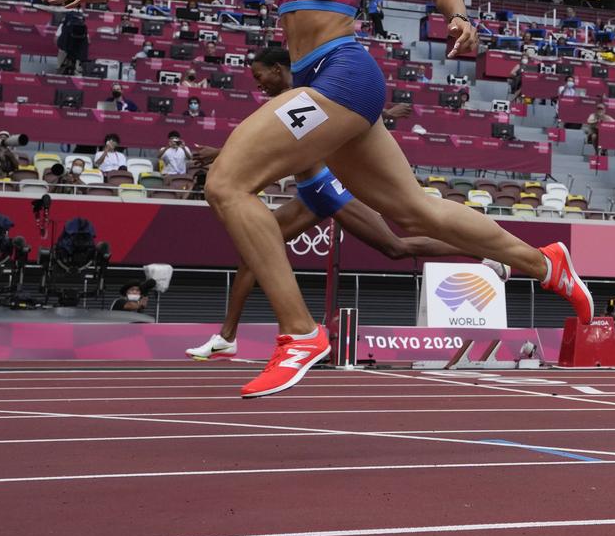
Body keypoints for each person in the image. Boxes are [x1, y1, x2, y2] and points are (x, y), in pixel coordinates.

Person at [44, 0, 592, 399]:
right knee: (413, 214)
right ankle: (545, 263)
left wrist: (458, 17)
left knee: (228, 182)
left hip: (344, 73)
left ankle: (300, 333)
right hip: (316, 78)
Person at [186, 47, 511, 361]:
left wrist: (219, 155)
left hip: (330, 188)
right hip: (309, 194)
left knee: (395, 247)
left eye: (260, 76)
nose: (258, 84)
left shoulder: (305, 93)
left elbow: (340, 121)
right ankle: (226, 338)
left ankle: (481, 251)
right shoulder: (285, 102)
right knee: (252, 254)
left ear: (277, 70)